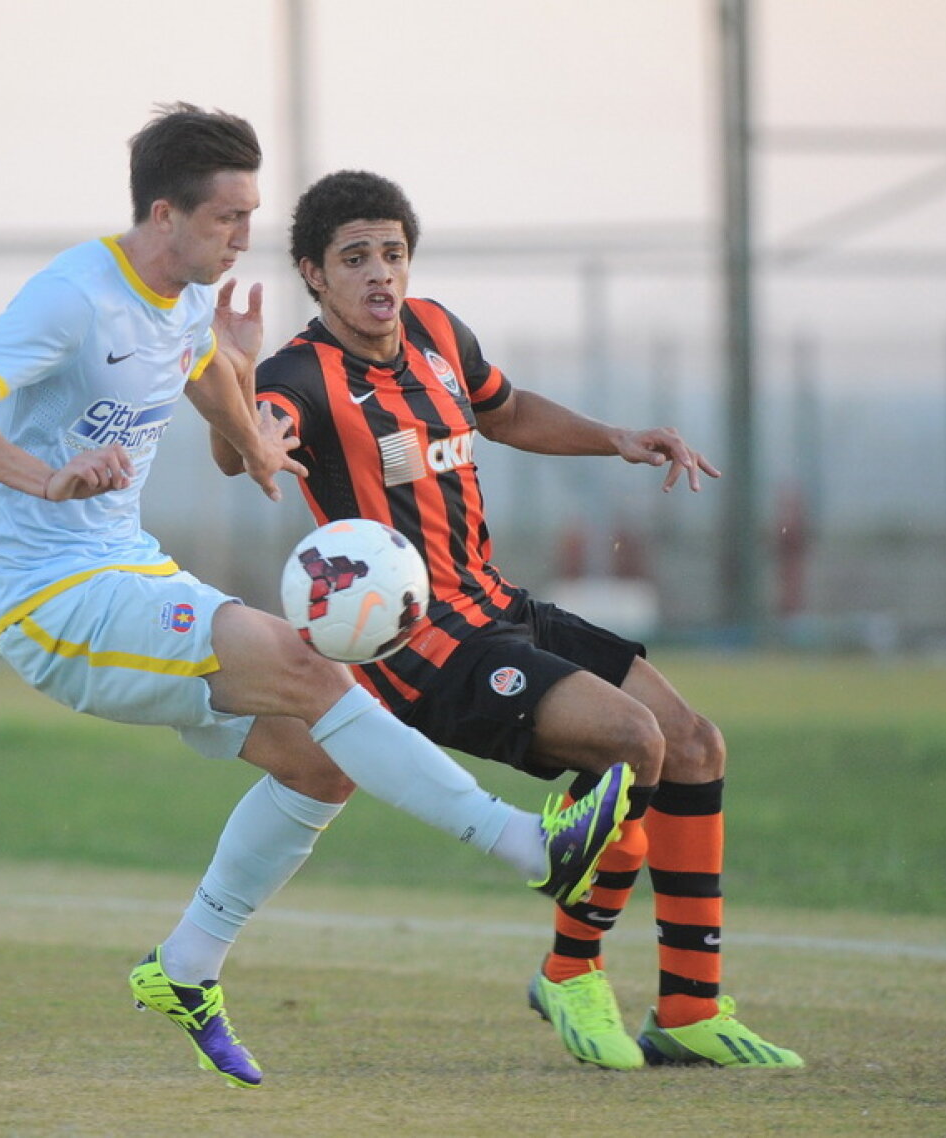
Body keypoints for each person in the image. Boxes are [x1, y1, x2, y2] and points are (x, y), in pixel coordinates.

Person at [0, 106, 633, 1090]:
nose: (246, 236)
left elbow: (198, 368)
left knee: (316, 764)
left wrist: (250, 428)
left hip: (129, 569)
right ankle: (526, 846)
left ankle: (186, 965)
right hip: (55, 601)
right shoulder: (75, 296)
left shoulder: (184, 297)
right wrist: (47, 477)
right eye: (228, 218)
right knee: (311, 666)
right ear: (165, 214)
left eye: (251, 214)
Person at [219, 169, 803, 1071]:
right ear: (314, 274)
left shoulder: (439, 333)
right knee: (631, 742)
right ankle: (570, 972)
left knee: (694, 744)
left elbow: (508, 410)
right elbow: (245, 447)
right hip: (420, 647)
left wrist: (615, 435)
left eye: (393, 254)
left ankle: (689, 1009)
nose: (381, 275)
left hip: (497, 604)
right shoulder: (298, 373)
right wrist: (237, 388)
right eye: (356, 258)